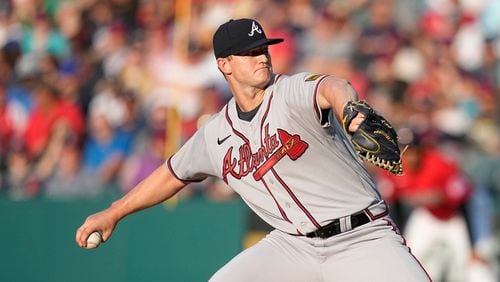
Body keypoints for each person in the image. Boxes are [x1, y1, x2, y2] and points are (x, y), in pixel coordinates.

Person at [76, 18, 430, 281]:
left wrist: (351, 111)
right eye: (248, 52)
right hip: (294, 246)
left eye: (262, 48)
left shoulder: (288, 92)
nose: (261, 57)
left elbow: (331, 86)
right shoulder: (215, 133)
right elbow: (172, 173)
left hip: (362, 236)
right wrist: (114, 212)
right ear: (224, 64)